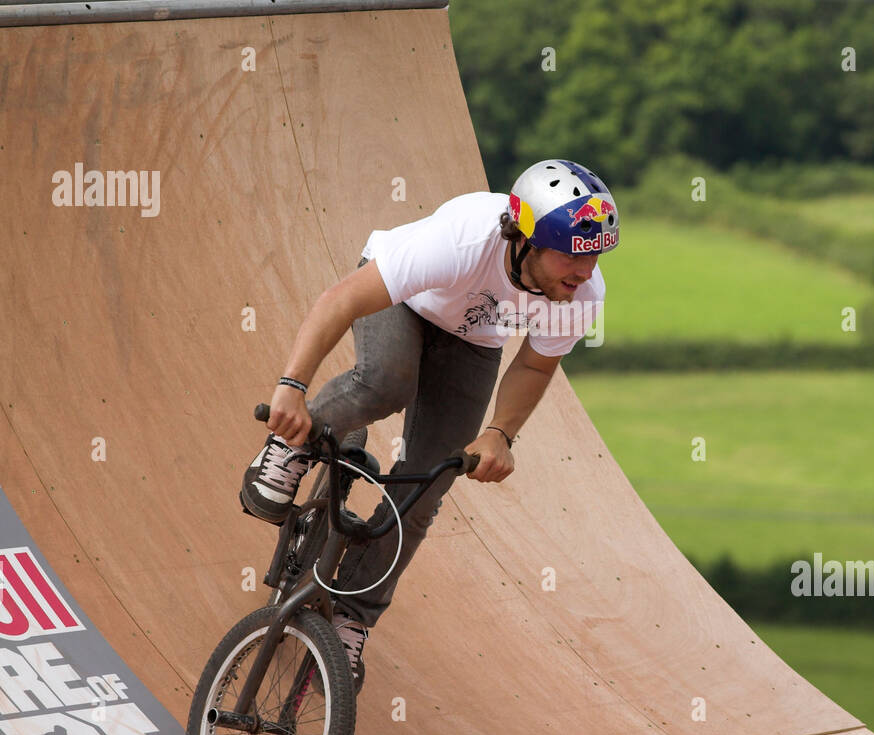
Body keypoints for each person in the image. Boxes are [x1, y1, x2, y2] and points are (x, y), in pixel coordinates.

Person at [240, 160, 620, 690]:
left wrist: (500, 432)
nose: (586, 271)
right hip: (406, 302)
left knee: (429, 481)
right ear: (525, 238)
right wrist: (292, 387)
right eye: (574, 255)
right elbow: (343, 299)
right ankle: (289, 450)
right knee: (385, 383)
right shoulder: (461, 240)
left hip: (474, 342)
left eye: (596, 254)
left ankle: (352, 616)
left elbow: (534, 363)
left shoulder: (581, 293)